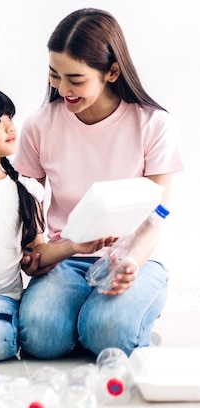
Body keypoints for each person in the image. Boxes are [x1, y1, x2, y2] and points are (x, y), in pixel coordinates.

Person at [14, 8, 184, 359]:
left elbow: (157, 214)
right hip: (67, 256)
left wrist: (130, 262)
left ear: (111, 72)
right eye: (54, 76)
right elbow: (27, 205)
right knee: (40, 335)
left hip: (133, 257)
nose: (62, 89)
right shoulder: (39, 125)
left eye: (75, 79)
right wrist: (35, 250)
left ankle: (119, 320)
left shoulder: (153, 125)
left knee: (107, 332)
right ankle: (89, 322)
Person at [0, 86, 111, 361]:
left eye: (10, 117)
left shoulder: (26, 190)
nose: (10, 126)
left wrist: (74, 245)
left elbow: (37, 251)